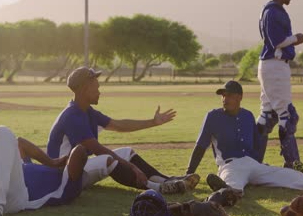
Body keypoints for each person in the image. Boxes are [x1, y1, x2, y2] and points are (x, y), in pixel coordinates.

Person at [46, 66, 199, 194]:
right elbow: (97, 149)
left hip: (77, 169)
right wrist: (131, 167)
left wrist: (153, 122)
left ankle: (169, 180)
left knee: (126, 152)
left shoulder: (86, 110)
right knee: (107, 159)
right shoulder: (73, 115)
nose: (99, 91)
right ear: (85, 89)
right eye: (96, 87)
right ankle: (158, 188)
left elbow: (119, 125)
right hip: (64, 176)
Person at [185, 81, 303, 195]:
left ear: (240, 97)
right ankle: (226, 193)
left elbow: (257, 144)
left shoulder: (248, 116)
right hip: (230, 166)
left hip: (253, 165)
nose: (225, 98)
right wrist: (188, 174)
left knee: (291, 175)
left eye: (229, 95)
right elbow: (200, 147)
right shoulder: (213, 116)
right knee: (233, 187)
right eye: (223, 95)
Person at [257, 0, 303, 166]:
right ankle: (293, 164)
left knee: (267, 116)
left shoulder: (271, 10)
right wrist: (296, 38)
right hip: (275, 65)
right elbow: (276, 41)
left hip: (271, 65)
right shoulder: (273, 11)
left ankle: (252, 160)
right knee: (287, 116)